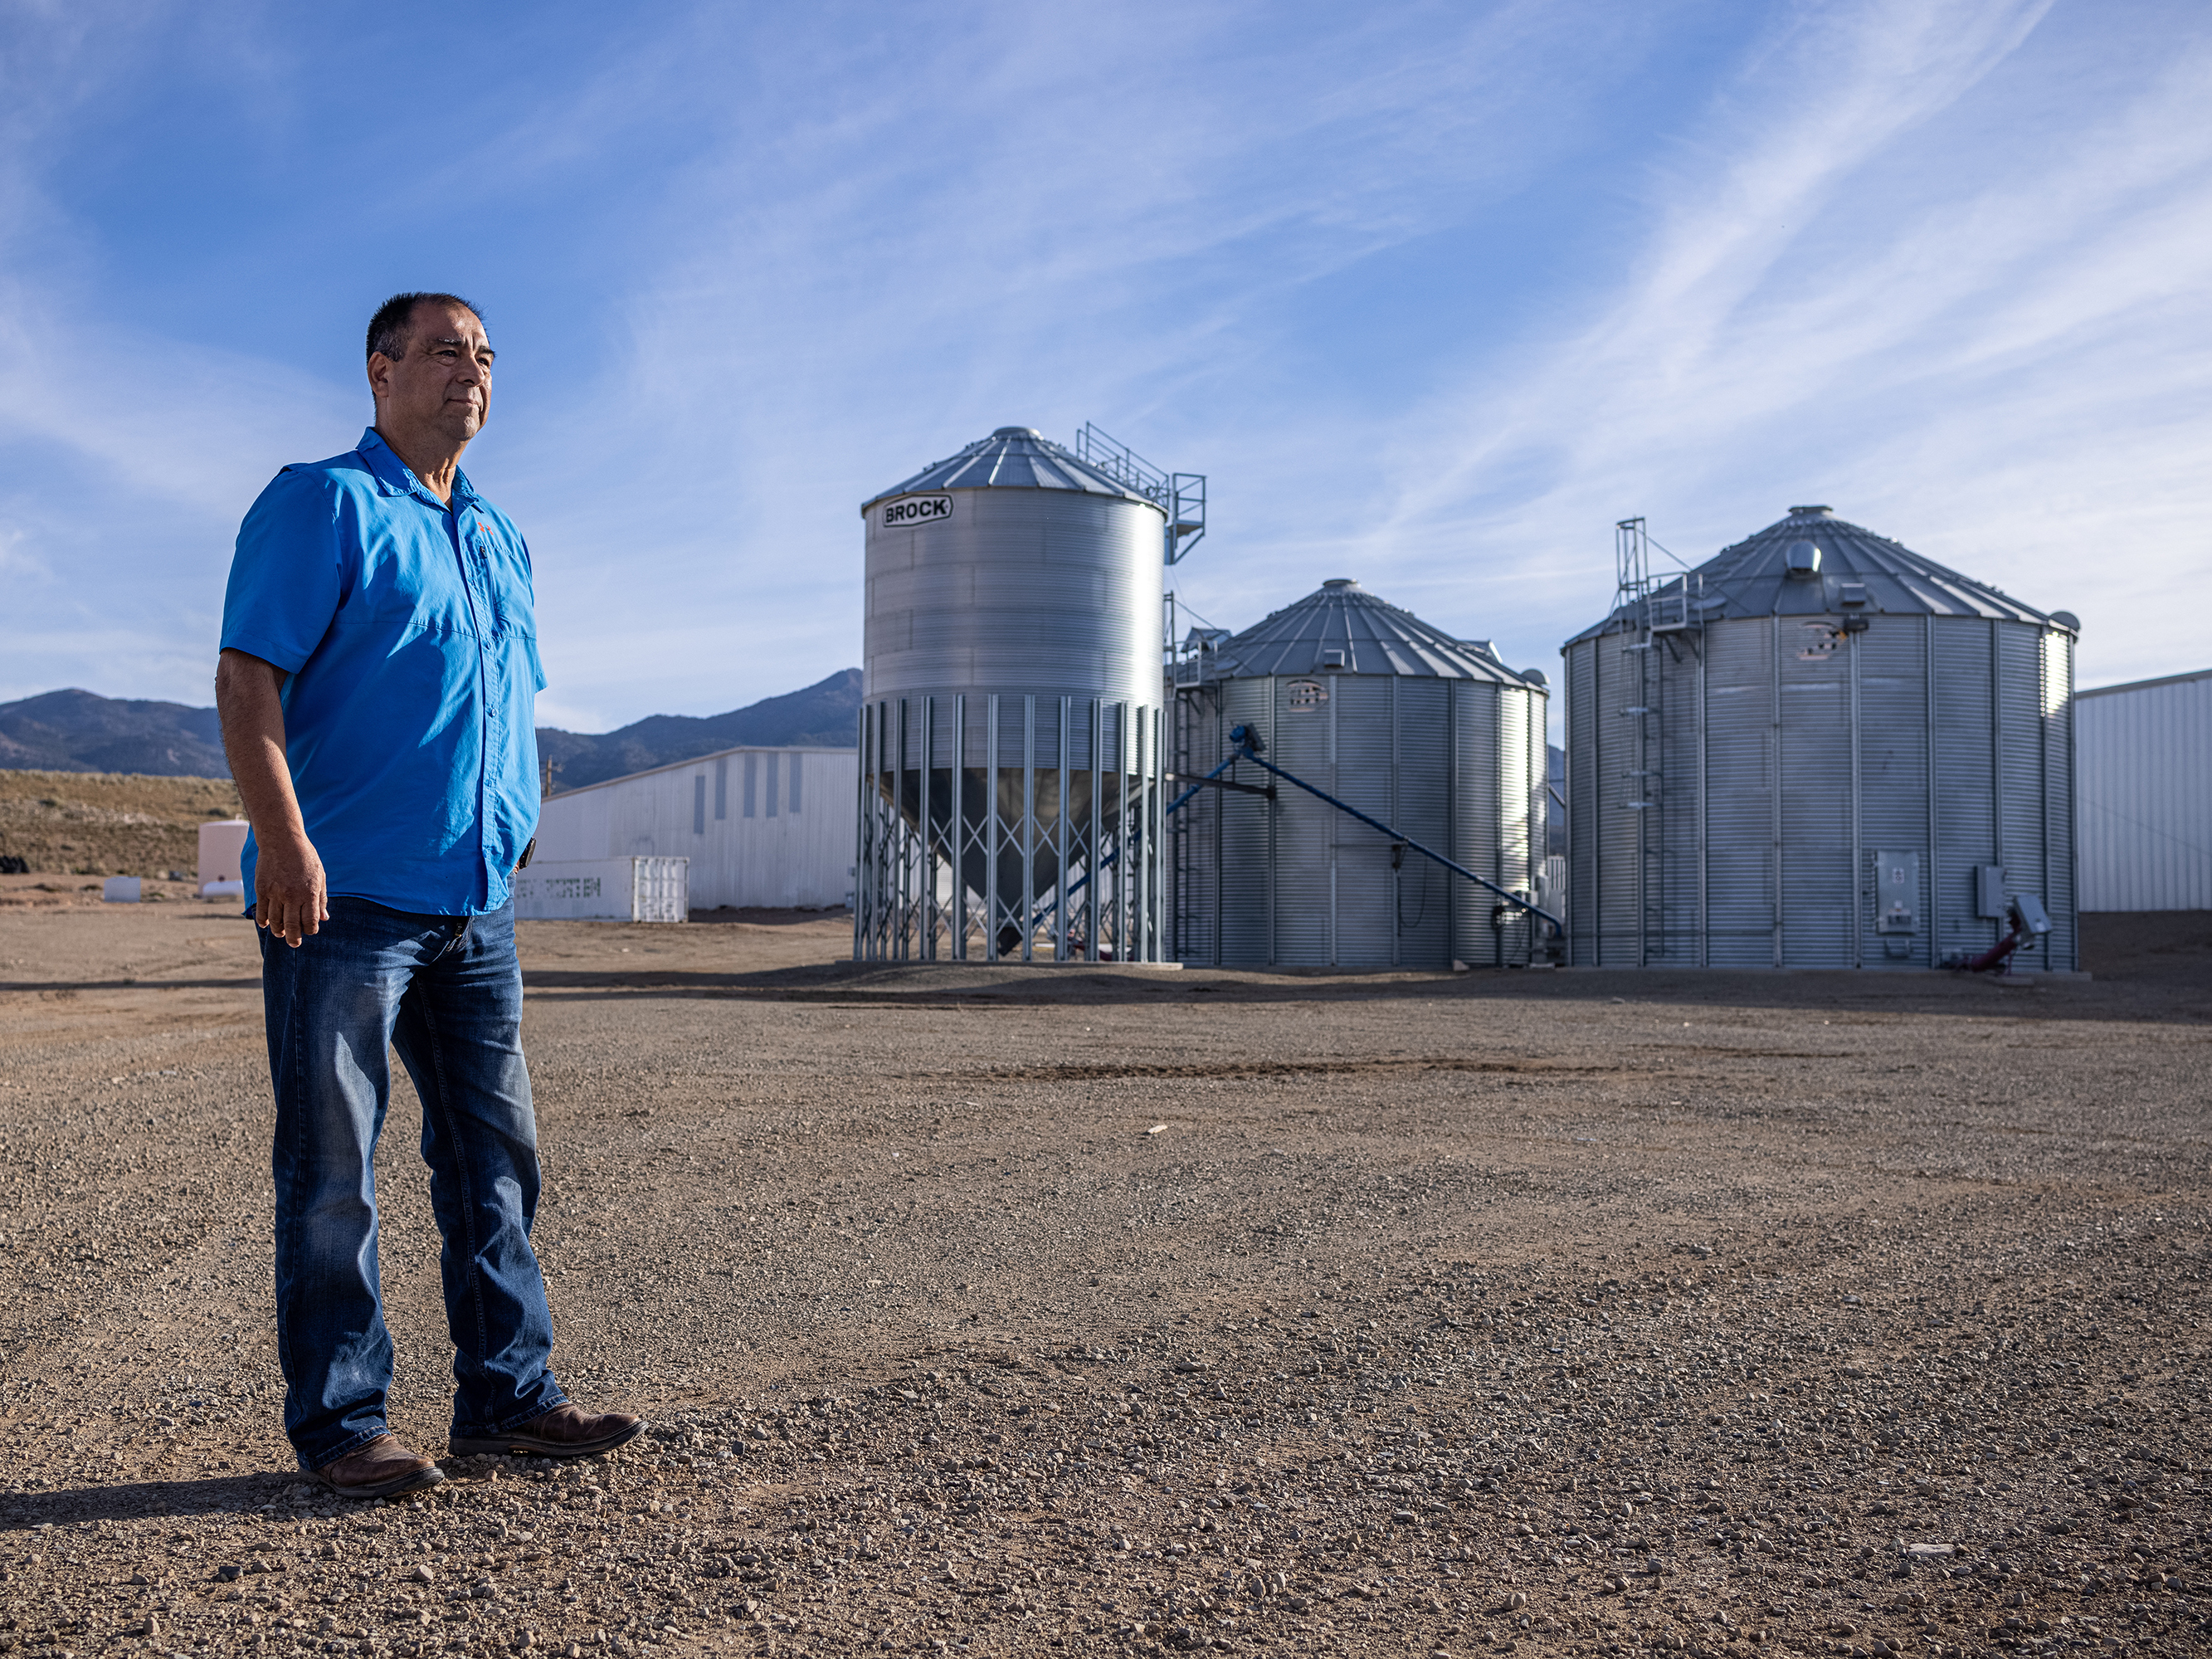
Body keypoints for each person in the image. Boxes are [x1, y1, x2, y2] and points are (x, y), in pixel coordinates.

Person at [216, 291, 641, 1499]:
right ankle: (346, 1424)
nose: (472, 373)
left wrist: (518, 820)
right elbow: (248, 682)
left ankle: (509, 1401)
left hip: (473, 905)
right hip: (340, 900)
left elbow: (508, 703)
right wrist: (284, 845)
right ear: (379, 369)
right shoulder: (323, 502)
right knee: (334, 1172)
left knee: (495, 1162)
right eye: (446, 352)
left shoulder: (497, 532)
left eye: (487, 358)